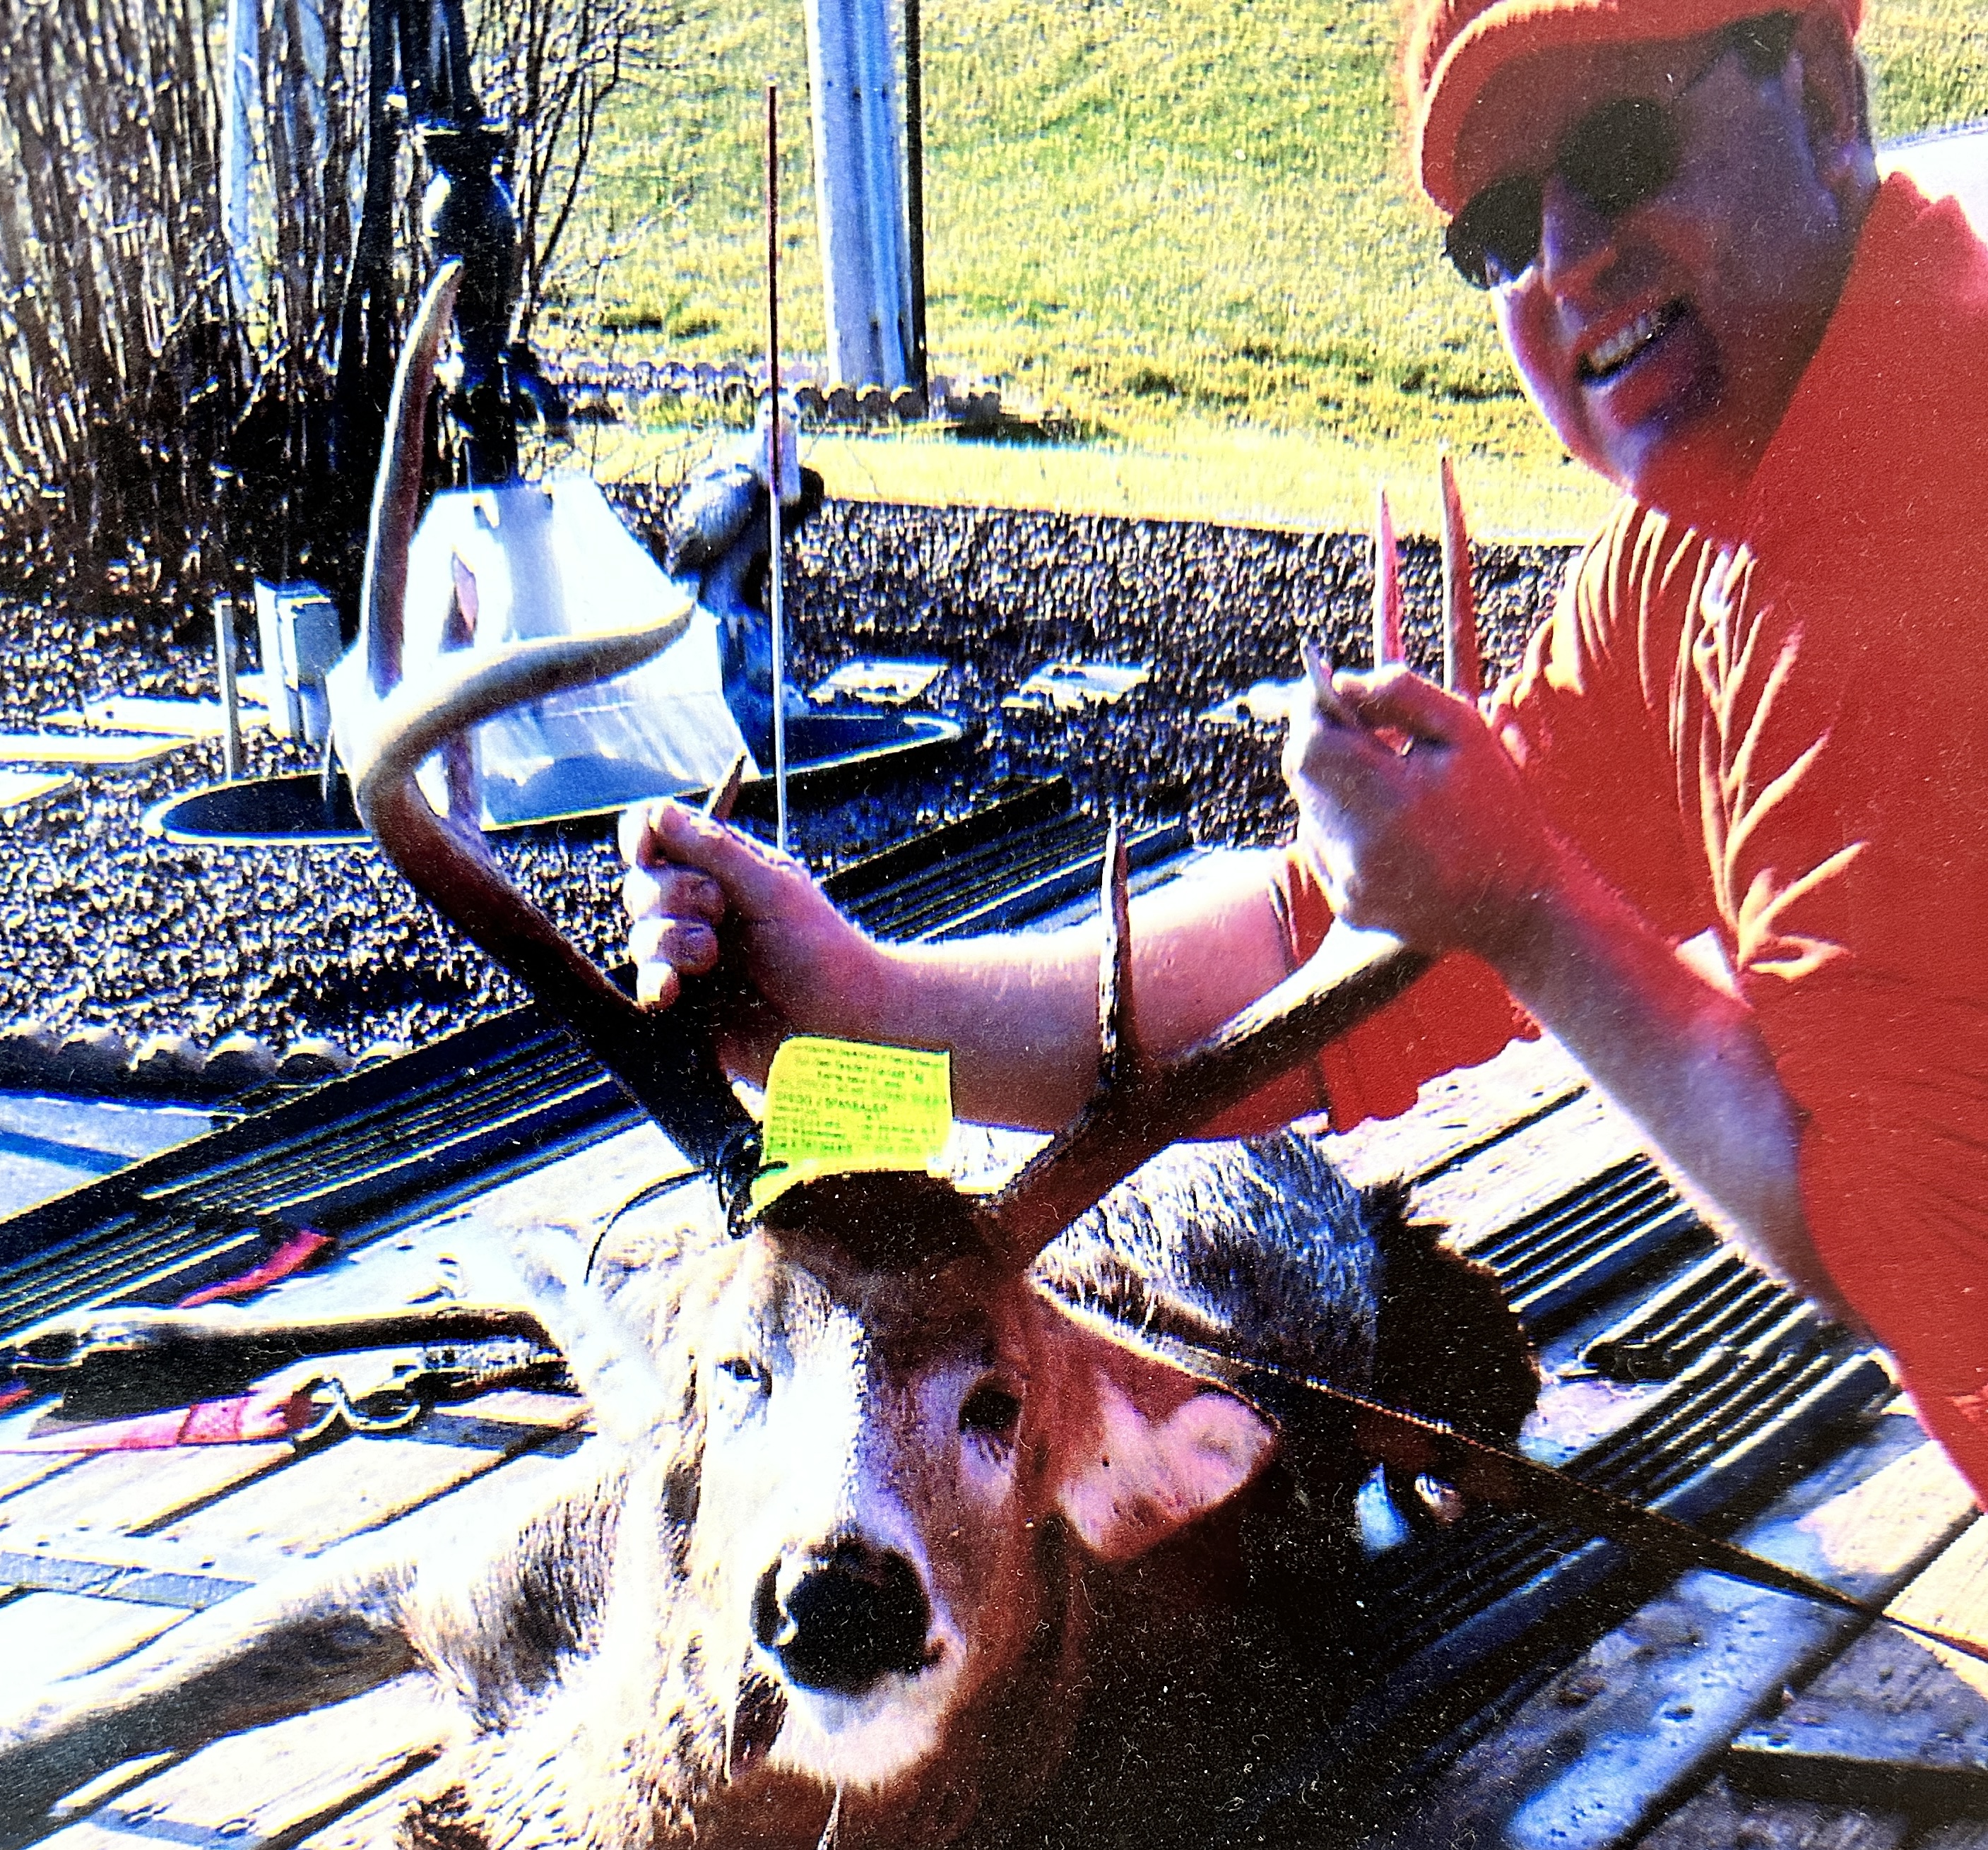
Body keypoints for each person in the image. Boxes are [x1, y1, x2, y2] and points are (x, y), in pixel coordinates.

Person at [617, 0, 1988, 1499]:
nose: (1564, 258)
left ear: (1823, 95)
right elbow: (1329, 956)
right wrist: (859, 1014)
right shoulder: (1718, 539)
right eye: (1497, 232)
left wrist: (1522, 910)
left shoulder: (1926, 496)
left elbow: (1921, 1256)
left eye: (1617, 146)